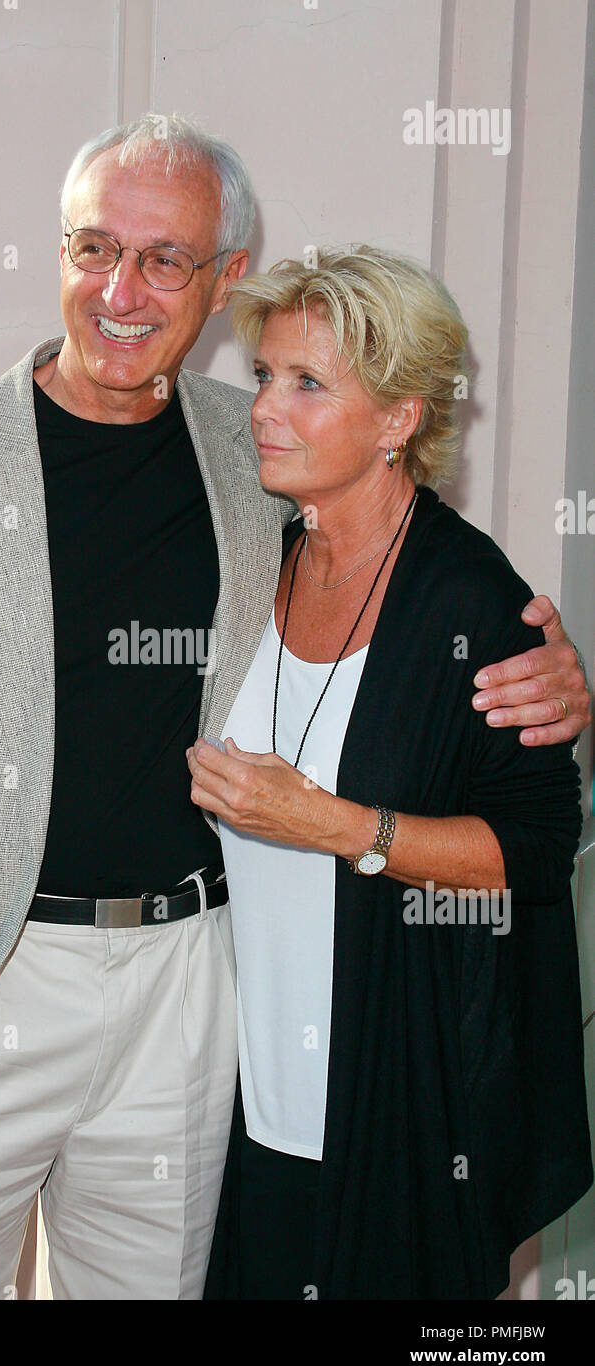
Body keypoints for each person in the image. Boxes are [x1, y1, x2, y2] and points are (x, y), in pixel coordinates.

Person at [0, 115, 589, 1301]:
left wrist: (552, 668)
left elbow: (406, 567)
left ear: (223, 277)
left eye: (164, 259)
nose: (120, 291)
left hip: (186, 996)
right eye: (94, 247)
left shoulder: (250, 451)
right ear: (60, 249)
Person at [187, 248, 593, 1300]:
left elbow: (534, 850)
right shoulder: (255, 558)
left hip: (394, 1105)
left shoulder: (472, 602)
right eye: (264, 375)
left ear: (400, 418)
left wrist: (333, 824)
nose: (264, 408)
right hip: (239, 1097)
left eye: (307, 383)